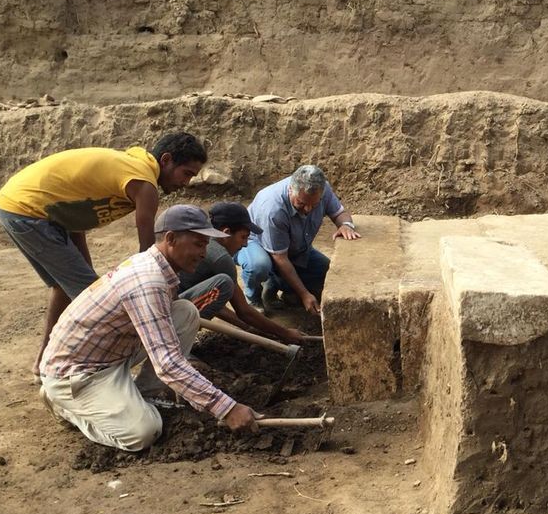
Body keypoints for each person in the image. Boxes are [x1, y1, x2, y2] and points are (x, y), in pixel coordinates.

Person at [39, 205, 262, 452]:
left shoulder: (158, 267)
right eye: (199, 244)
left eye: (206, 245)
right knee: (144, 432)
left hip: (111, 353)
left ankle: (146, 393)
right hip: (77, 373)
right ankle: (66, 406)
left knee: (186, 312)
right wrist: (227, 408)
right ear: (171, 239)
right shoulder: (148, 281)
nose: (203, 253)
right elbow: (167, 363)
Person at [0, 132, 207, 379]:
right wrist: (161, 301)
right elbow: (149, 255)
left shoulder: (131, 168)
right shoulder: (143, 182)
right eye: (186, 173)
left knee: (70, 287)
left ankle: (43, 363)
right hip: (29, 210)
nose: (186, 183)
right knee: (98, 301)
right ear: (166, 160)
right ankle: (86, 373)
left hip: (18, 205)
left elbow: (77, 213)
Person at [238, 165, 361, 315]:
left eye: (314, 204)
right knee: (259, 266)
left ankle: (279, 286)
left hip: (295, 247)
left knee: (327, 272)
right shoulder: (273, 209)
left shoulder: (322, 189)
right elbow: (280, 258)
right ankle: (253, 298)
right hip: (256, 243)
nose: (308, 209)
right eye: (301, 203)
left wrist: (346, 225)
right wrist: (304, 294)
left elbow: (339, 213)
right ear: (291, 190)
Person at [178, 202, 305, 344]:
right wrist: (284, 333)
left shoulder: (206, 244)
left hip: (172, 308)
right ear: (226, 233)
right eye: (243, 237)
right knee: (225, 283)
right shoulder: (221, 258)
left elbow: (211, 303)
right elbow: (244, 311)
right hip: (173, 318)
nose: (245, 244)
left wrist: (249, 328)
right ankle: (180, 344)